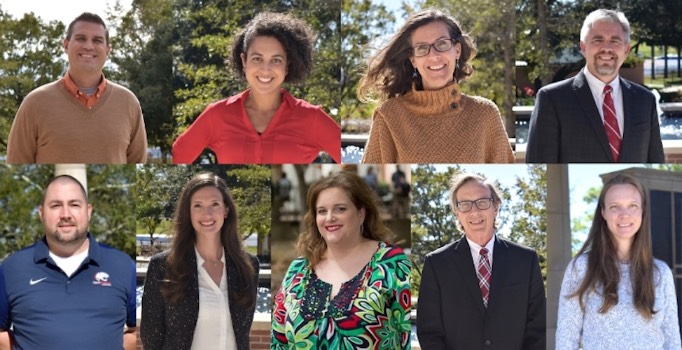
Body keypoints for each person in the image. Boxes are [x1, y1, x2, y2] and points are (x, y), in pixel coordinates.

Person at [172, 12, 341, 164]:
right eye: (257, 59)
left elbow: (358, 161)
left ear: (287, 66)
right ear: (244, 61)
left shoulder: (312, 118)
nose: (265, 69)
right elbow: (178, 154)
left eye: (276, 60)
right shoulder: (216, 115)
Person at [272, 171, 411, 348]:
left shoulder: (391, 264)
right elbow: (278, 340)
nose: (330, 217)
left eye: (340, 209)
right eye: (322, 211)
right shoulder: (299, 269)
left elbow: (406, 335)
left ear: (361, 214)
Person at [358, 9, 514, 163]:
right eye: (422, 48)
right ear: (413, 60)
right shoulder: (389, 116)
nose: (434, 55)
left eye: (442, 43)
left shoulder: (485, 113)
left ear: (457, 50)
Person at [0, 175, 137, 350]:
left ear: (88, 211)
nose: (65, 215)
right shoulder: (12, 268)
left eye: (74, 205)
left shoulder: (123, 265)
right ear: (41, 213)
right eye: (56, 205)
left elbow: (136, 331)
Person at [417, 173, 546, 349]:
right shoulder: (437, 264)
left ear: (496, 206)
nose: (475, 211)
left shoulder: (526, 260)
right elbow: (429, 331)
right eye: (465, 205)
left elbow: (538, 327)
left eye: (482, 202)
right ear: (456, 212)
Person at [556, 174, 681, 349]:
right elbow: (566, 338)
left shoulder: (661, 273)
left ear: (642, 211)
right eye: (615, 207)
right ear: (603, 212)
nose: (625, 215)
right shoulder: (582, 268)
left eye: (633, 205)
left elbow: (672, 341)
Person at [6, 12, 148, 164]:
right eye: (81, 38)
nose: (88, 46)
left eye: (97, 40)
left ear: (107, 50)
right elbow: (16, 163)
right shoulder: (35, 103)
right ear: (66, 46)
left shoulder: (128, 102)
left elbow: (138, 164)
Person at [526, 9, 664, 163]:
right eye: (598, 40)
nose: (606, 48)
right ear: (583, 47)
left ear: (626, 50)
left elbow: (656, 161)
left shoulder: (645, 100)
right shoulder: (552, 99)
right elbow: (539, 163)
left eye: (615, 40)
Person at [141, 173, 259, 350]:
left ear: (226, 210)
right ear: (188, 212)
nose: (207, 213)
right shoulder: (163, 266)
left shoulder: (248, 266)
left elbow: (242, 334)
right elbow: (151, 338)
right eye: (198, 206)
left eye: (215, 204)